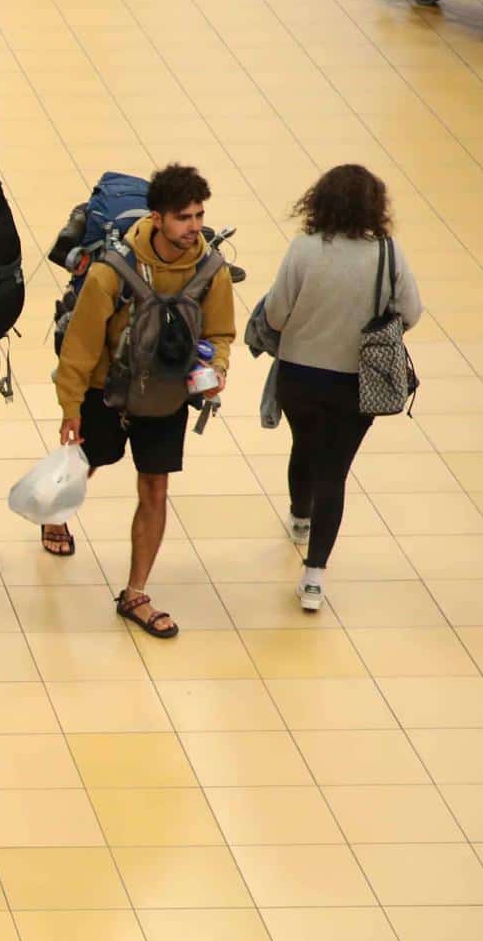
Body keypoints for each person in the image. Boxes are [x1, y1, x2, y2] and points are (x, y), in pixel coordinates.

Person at [48, 164, 236, 639]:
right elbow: (81, 345)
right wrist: (71, 407)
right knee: (89, 459)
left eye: (198, 216)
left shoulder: (211, 272)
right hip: (105, 391)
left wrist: (218, 370)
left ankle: (136, 592)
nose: (194, 227)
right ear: (156, 218)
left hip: (169, 394)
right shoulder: (112, 272)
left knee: (154, 487)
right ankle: (56, 513)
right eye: (183, 217)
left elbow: (220, 333)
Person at [258, 163, 422, 612]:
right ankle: (314, 577)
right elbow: (412, 311)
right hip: (357, 383)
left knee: (304, 445)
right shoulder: (388, 254)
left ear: (320, 201)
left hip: (300, 377)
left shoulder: (304, 249)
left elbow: (274, 315)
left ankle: (299, 516)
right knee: (334, 471)